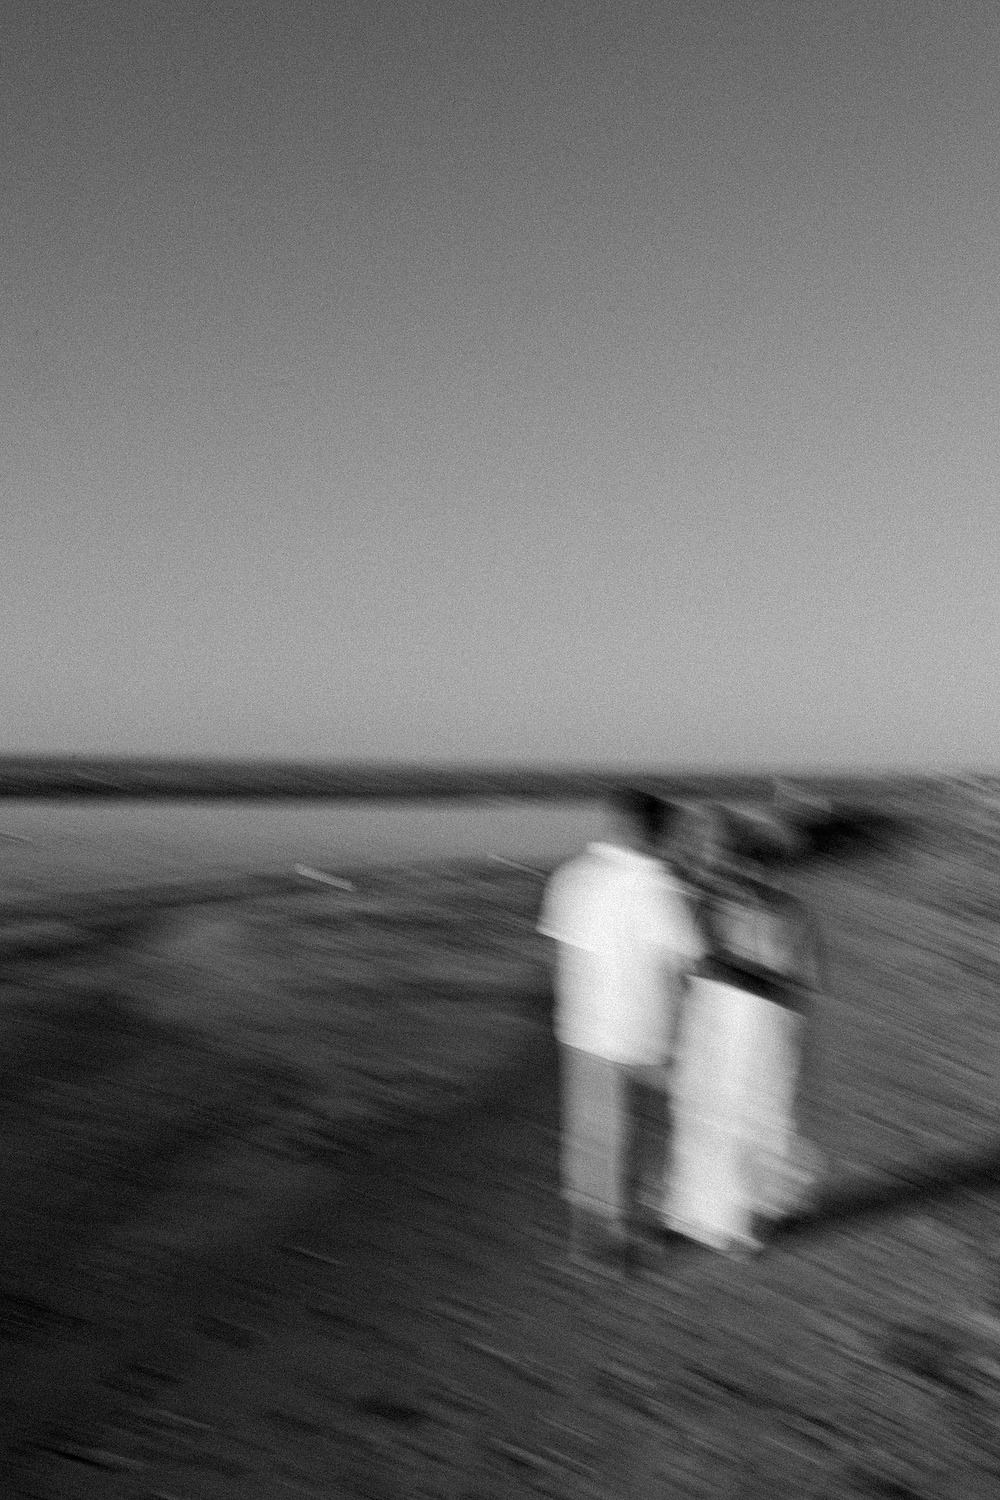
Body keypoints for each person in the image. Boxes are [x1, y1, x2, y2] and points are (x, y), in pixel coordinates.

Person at [537, 785, 703, 1267]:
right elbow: (689, 958)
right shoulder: (659, 887)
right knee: (654, 1129)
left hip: (583, 1025)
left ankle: (590, 1235)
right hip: (646, 1028)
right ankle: (634, 1228)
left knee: (592, 1132)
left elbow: (557, 952)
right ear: (654, 831)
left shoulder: (572, 877)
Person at [662, 802, 823, 1257]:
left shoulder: (783, 908)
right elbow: (703, 961)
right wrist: (771, 983)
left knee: (754, 1117)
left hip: (758, 1023)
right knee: (709, 1114)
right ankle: (699, 1215)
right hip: (723, 1019)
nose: (733, 863)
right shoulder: (711, 901)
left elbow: (803, 973)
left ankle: (742, 1222)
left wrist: (773, 987)